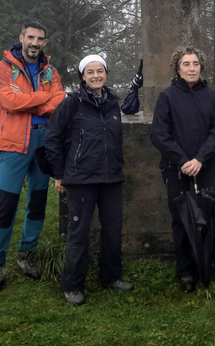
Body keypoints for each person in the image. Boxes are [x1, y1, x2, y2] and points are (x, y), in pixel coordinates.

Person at [45, 55, 133, 305]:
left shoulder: (113, 103)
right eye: (90, 72)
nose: (96, 76)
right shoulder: (72, 102)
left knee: (113, 230)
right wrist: (59, 173)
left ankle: (111, 276)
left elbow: (115, 140)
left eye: (100, 71)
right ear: (83, 76)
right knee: (79, 232)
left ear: (106, 74)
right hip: (81, 178)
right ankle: (72, 284)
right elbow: (53, 138)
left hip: (111, 178)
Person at [150, 46, 215, 293]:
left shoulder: (211, 97)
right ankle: (186, 272)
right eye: (186, 64)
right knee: (181, 219)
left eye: (195, 64)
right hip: (176, 168)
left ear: (202, 66)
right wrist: (183, 160)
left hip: (208, 165)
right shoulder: (167, 96)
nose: (191, 68)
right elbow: (159, 134)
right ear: (177, 68)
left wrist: (200, 158)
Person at [0, 22, 65, 291]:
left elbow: (60, 100)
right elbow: (9, 101)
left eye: (40, 38)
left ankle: (27, 255)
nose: (35, 42)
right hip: (13, 144)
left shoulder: (50, 71)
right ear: (21, 38)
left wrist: (30, 98)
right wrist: (43, 98)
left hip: (44, 144)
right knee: (6, 205)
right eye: (30, 37)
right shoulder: (3, 69)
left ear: (44, 42)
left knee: (38, 203)